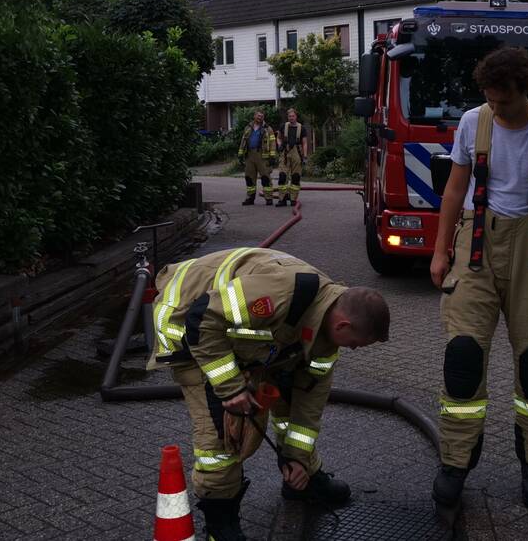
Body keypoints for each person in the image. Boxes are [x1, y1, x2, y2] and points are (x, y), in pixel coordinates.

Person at [148, 247, 390, 541]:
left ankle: (301, 479)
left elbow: (309, 401)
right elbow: (202, 318)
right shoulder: (283, 295)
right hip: (190, 327)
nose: (351, 349)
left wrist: (298, 459)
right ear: (343, 325)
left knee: (289, 402)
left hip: (245, 341)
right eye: (354, 343)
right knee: (223, 436)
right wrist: (231, 387)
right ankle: (220, 521)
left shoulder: (325, 329)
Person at [429, 46, 528, 510]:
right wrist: (438, 252)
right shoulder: (474, 122)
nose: (497, 109)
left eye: (505, 101)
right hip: (476, 246)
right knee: (463, 357)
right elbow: (456, 187)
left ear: (525, 90)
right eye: (491, 100)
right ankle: (455, 460)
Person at [237, 111, 276, 206]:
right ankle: (250, 198)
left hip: (262, 156)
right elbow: (243, 141)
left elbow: (272, 142)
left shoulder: (268, 129)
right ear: (254, 116)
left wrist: (272, 156)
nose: (260, 118)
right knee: (249, 177)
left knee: (265, 177)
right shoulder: (248, 128)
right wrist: (240, 154)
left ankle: (269, 198)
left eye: (262, 116)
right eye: (258, 116)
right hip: (249, 155)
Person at [276, 108, 308, 208]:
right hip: (285, 153)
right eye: (289, 116)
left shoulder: (301, 128)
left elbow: (305, 143)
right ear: (288, 117)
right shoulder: (283, 126)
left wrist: (305, 157)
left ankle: (293, 199)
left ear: (296, 117)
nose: (291, 118)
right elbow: (278, 137)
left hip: (297, 154)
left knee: (295, 177)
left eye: (293, 116)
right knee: (282, 176)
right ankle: (282, 199)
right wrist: (279, 144)